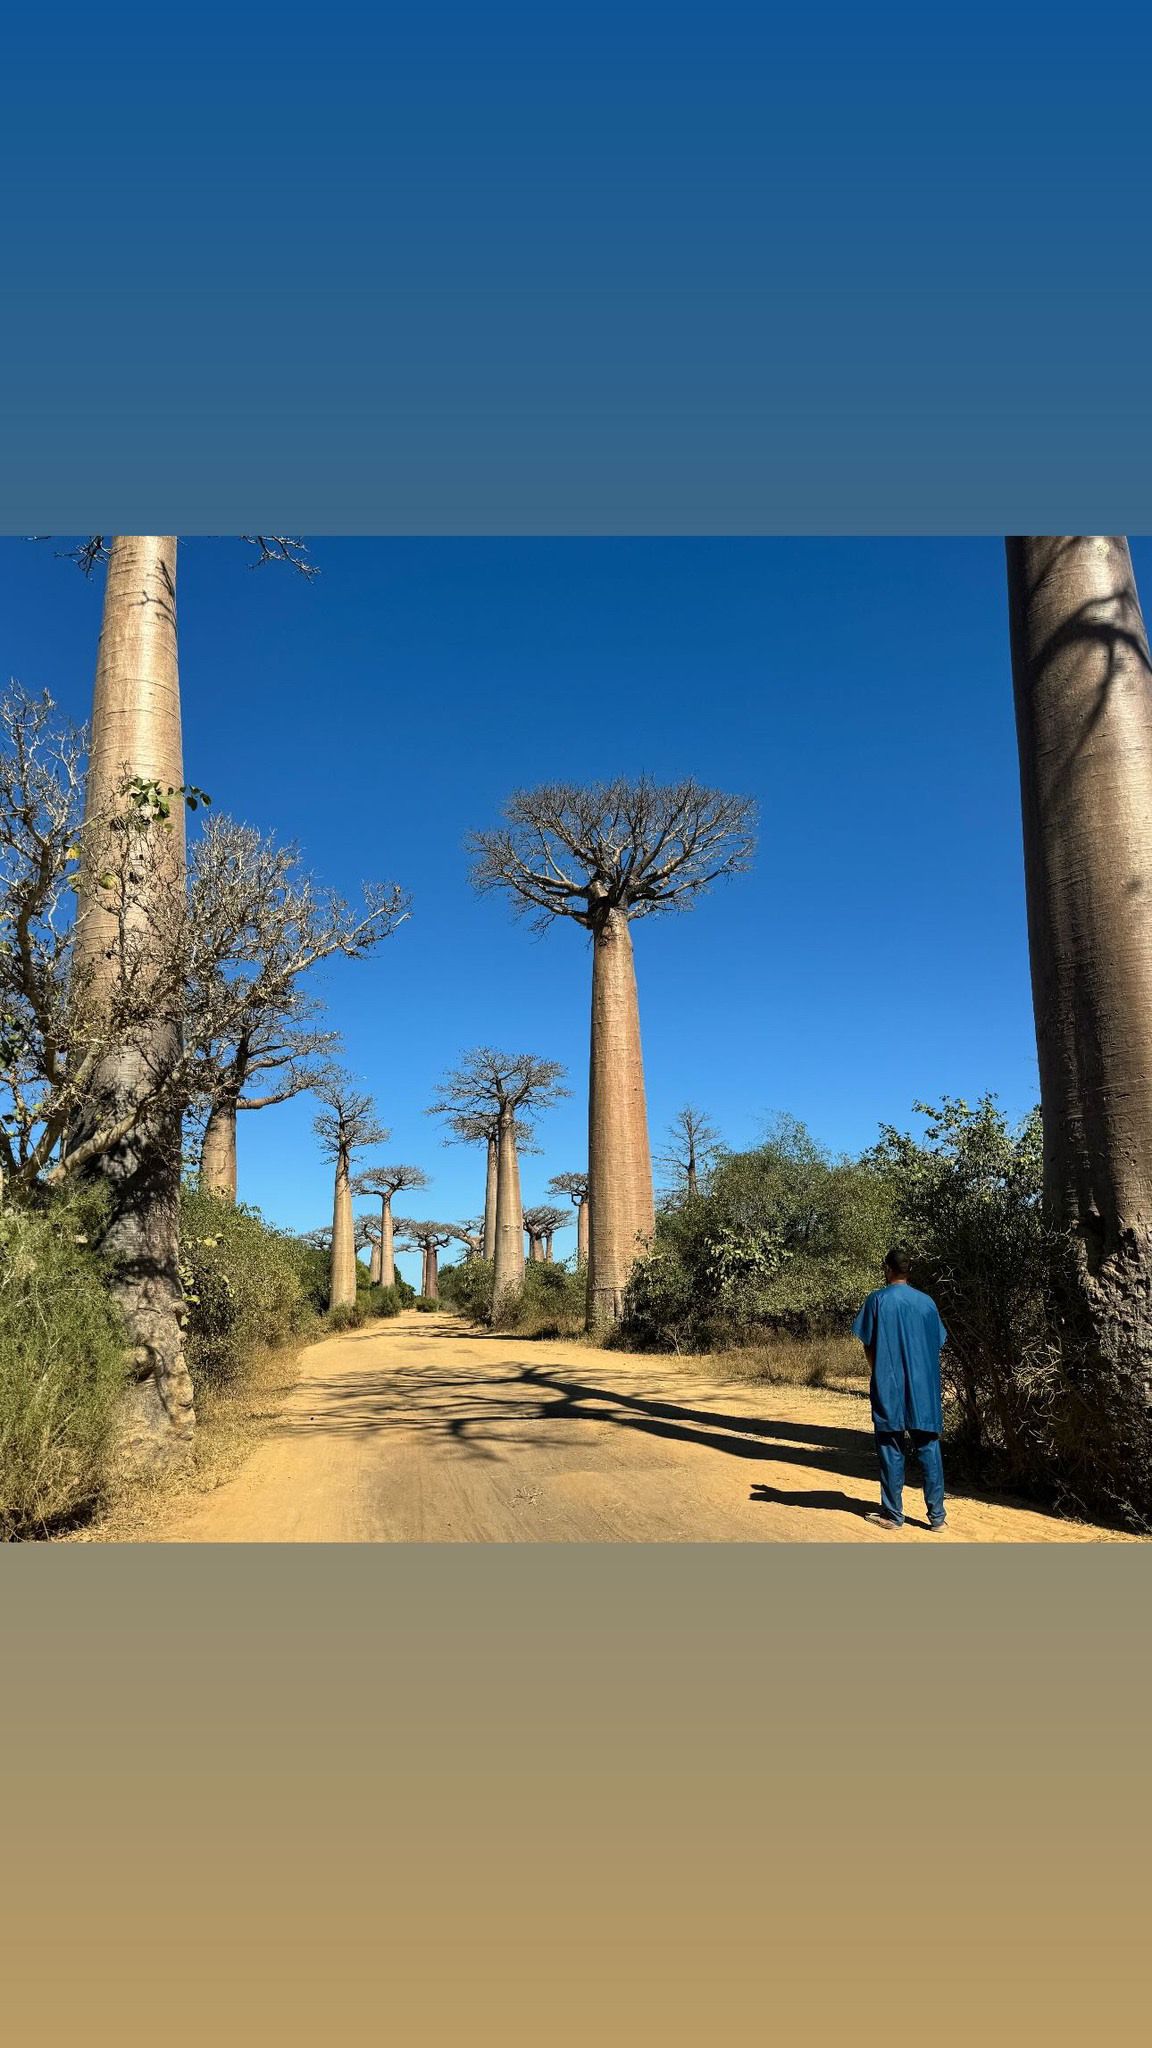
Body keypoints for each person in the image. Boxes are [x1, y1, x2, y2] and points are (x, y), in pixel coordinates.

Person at [852, 1247, 948, 1532]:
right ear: (908, 1271)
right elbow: (937, 1343)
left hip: (889, 1383)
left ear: (887, 1269)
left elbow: (868, 1345)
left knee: (890, 1447)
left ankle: (893, 1516)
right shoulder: (927, 1303)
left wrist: (878, 1371)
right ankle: (938, 1518)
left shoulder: (877, 1300)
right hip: (924, 1389)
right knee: (929, 1446)